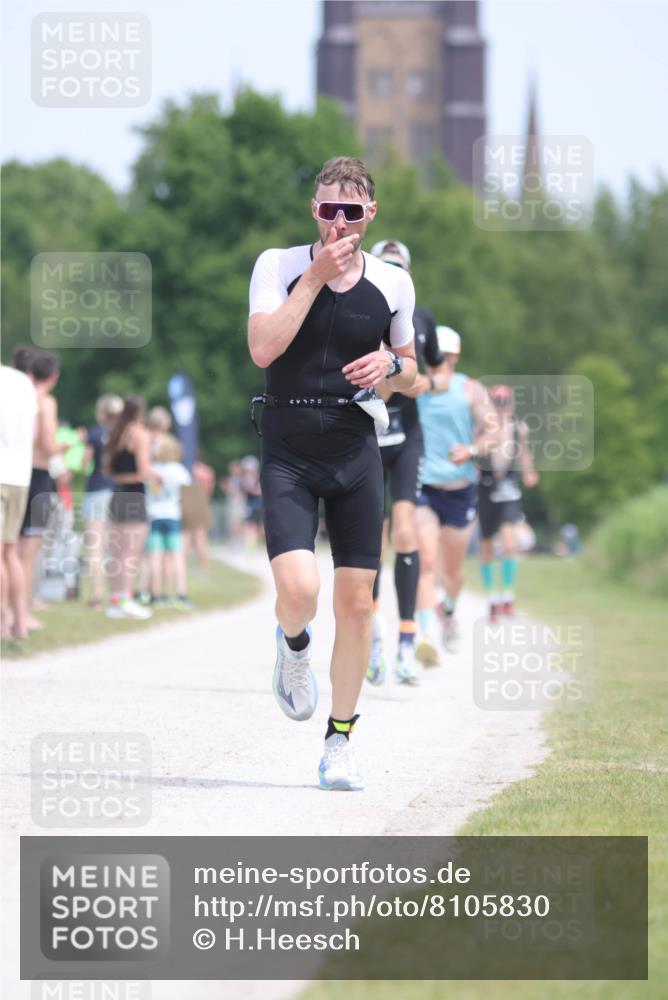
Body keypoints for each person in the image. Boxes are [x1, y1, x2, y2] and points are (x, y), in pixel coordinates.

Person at [248, 156, 417, 791]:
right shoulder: (279, 265)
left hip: (355, 449)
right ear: (314, 211)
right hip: (288, 445)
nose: (339, 223)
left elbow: (415, 374)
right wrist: (314, 279)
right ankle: (293, 651)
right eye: (327, 210)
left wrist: (390, 368)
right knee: (299, 590)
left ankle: (340, 741)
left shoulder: (394, 284)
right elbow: (264, 348)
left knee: (356, 604)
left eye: (351, 212)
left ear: (371, 214)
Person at [365, 238, 448, 686]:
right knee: (371, 541)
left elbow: (437, 372)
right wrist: (398, 379)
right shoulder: (359, 312)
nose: (392, 272)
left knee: (405, 532)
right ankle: (373, 640)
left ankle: (406, 642)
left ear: (409, 274)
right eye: (384, 265)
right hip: (369, 436)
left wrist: (420, 383)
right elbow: (377, 384)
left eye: (398, 267)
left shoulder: (422, 318)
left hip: (407, 437)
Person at [415, 327, 494, 663]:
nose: (440, 361)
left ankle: (448, 610)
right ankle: (424, 635)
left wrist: (473, 449)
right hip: (424, 488)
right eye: (436, 355)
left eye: (446, 355)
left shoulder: (470, 388)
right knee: (427, 563)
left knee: (453, 572)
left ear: (456, 356)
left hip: (460, 490)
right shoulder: (417, 387)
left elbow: (493, 429)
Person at [478, 384, 539, 621]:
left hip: (509, 490)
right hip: (486, 489)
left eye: (505, 404)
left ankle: (507, 598)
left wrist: (529, 471)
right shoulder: (483, 427)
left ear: (511, 405)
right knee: (486, 545)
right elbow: (474, 451)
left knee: (510, 543)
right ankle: (492, 599)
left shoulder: (518, 428)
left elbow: (524, 452)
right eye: (497, 404)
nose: (502, 409)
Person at [18, 350, 67, 629]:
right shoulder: (46, 402)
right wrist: (66, 446)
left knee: (12, 552)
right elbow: (47, 445)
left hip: (16, 474)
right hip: (39, 477)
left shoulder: (17, 395)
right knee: (29, 553)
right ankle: (21, 614)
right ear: (54, 376)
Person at [105, 394, 157, 620]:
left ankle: (115, 601)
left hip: (117, 493)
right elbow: (145, 470)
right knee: (131, 553)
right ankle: (126, 600)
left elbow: (107, 470)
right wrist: (159, 476)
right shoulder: (140, 434)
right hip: (135, 496)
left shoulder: (116, 433)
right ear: (140, 411)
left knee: (116, 553)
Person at [0, 360, 37, 639]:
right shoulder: (24, 383)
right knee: (10, 552)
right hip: (21, 476)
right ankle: (21, 622)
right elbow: (34, 435)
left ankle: (2, 621)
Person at [82, 394, 124, 609]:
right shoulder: (123, 435)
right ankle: (118, 594)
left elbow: (84, 464)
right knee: (116, 547)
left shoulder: (95, 433)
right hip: (119, 491)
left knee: (95, 547)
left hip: (97, 488)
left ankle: (97, 596)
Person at [145, 434, 192, 608]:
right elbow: (186, 488)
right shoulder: (178, 470)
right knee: (177, 557)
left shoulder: (152, 468)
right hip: (172, 515)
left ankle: (157, 595)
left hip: (154, 515)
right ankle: (181, 594)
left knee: (155, 557)